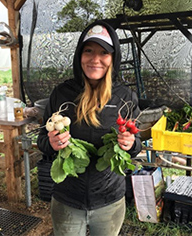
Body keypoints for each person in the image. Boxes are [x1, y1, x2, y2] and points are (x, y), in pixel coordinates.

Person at [37, 20, 142, 236]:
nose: (95, 59)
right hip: (68, 199)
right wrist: (52, 143)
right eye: (88, 51)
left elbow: (136, 143)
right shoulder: (62, 93)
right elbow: (42, 138)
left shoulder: (124, 97)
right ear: (79, 55)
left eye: (104, 52)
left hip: (109, 201)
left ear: (113, 58)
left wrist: (130, 144)